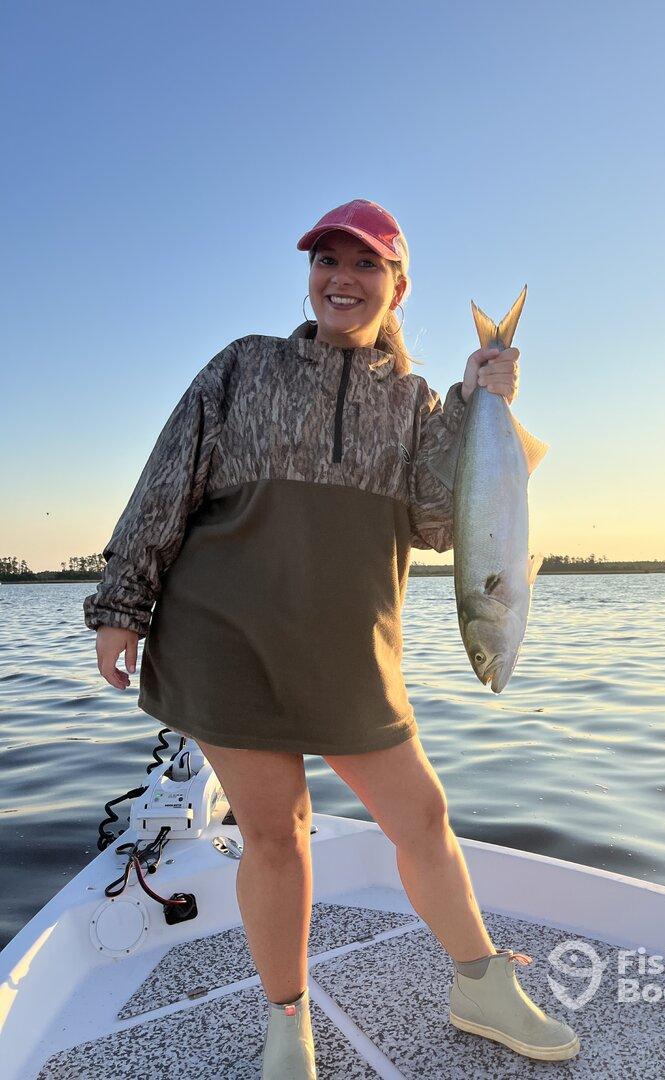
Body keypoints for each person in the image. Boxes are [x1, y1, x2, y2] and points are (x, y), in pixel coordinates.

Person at [84, 198, 580, 1076]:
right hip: (223, 636)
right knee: (277, 834)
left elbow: (439, 523)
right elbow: (167, 475)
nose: (342, 281)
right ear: (310, 274)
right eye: (327, 262)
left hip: (353, 646)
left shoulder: (418, 401)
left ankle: (479, 982)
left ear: (396, 285)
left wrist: (479, 402)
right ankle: (288, 1025)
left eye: (365, 266)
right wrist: (123, 603)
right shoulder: (245, 366)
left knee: (421, 814)